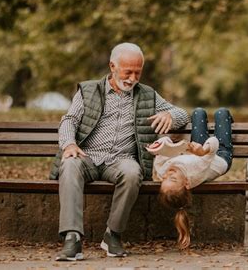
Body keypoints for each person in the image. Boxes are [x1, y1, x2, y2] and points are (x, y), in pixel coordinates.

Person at [51, 43, 189, 261]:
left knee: (133, 172)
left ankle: (112, 234)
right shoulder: (88, 91)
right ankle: (72, 238)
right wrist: (69, 144)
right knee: (68, 164)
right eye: (128, 72)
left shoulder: (147, 95)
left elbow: (182, 114)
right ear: (112, 67)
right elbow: (69, 120)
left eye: (137, 72)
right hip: (87, 156)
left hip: (120, 160)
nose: (133, 78)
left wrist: (172, 117)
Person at [147, 107, 233, 249]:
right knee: (221, 113)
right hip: (218, 157)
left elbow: (161, 159)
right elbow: (214, 145)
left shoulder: (164, 172)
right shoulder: (195, 170)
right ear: (187, 183)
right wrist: (203, 150)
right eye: (173, 179)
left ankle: (203, 124)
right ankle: (227, 119)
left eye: (165, 179)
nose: (169, 173)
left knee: (198, 112)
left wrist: (162, 145)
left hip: (195, 155)